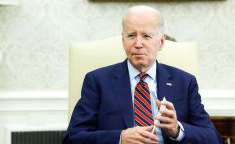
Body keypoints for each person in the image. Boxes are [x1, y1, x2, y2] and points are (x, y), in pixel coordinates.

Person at [62, 5, 222, 144]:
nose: (138, 44)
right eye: (131, 35)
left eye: (146, 36)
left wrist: (177, 130)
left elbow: (213, 138)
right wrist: (120, 138)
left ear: (161, 42)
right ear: (123, 40)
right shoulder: (97, 81)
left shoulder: (184, 82)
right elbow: (73, 138)